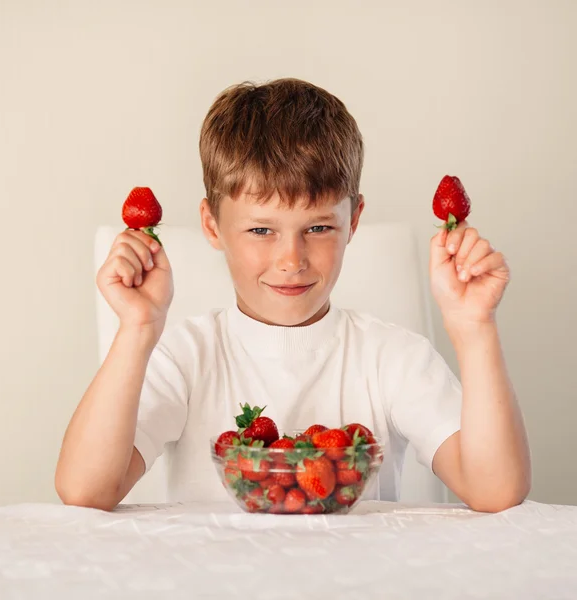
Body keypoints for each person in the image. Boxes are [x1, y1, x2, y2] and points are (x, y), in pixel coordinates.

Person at [55, 78, 531, 512]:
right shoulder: (188, 356)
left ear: (354, 222)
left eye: (319, 227)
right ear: (211, 225)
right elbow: (85, 490)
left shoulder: (392, 356)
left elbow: (495, 491)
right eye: (261, 229)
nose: (292, 259)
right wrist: (138, 329)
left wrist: (474, 329)